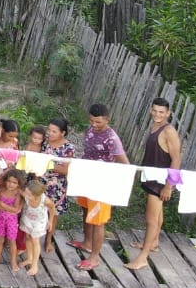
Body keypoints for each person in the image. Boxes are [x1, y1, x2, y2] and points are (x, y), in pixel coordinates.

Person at [70, 104, 129, 271]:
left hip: (102, 183)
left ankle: (94, 257)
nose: (94, 125)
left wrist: (115, 182)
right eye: (91, 121)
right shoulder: (89, 130)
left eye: (98, 122)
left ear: (107, 119)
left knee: (98, 220)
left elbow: (124, 163)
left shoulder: (112, 138)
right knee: (85, 210)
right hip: (86, 176)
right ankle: (87, 242)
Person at [126, 97, 181, 270]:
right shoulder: (154, 126)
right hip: (151, 176)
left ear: (168, 113)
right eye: (155, 111)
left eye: (161, 112)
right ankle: (154, 242)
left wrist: (168, 185)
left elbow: (176, 159)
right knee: (157, 215)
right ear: (151, 110)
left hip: (160, 182)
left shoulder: (169, 131)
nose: (157, 114)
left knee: (151, 219)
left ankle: (143, 257)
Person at [41, 117, 75, 253]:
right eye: (49, 130)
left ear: (63, 133)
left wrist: (46, 163)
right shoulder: (44, 142)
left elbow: (65, 170)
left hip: (57, 186)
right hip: (40, 181)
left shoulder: (68, 148)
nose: (49, 133)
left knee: (53, 214)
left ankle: (48, 240)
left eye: (54, 131)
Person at [0, 168, 25, 270]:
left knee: (11, 241)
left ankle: (13, 262)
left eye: (14, 182)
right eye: (9, 181)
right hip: (0, 219)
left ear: (18, 184)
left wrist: (2, 205)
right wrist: (5, 207)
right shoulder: (1, 190)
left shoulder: (17, 194)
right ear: (5, 180)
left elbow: (16, 209)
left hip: (12, 222)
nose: (11, 184)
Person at [20, 178, 56, 277]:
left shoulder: (45, 201)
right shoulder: (26, 194)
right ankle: (29, 258)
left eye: (29, 195)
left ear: (37, 195)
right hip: (28, 218)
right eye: (26, 193)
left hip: (39, 221)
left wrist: (50, 221)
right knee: (27, 237)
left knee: (35, 241)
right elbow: (20, 191)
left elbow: (52, 208)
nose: (26, 196)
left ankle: (35, 264)